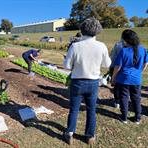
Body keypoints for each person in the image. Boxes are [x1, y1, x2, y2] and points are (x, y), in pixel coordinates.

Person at [63, 17, 111, 145]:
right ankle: (90, 136)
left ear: (82, 29)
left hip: (77, 82)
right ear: (97, 31)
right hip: (93, 83)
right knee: (91, 109)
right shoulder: (101, 46)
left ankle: (69, 133)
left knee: (74, 109)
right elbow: (107, 64)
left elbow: (67, 66)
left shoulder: (75, 46)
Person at [111, 29, 148, 124]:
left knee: (124, 97)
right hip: (137, 79)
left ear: (126, 40)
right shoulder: (143, 49)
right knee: (136, 98)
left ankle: (124, 117)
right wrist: (139, 72)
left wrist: (113, 78)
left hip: (124, 79)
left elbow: (117, 67)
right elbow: (145, 63)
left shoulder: (124, 51)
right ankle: (137, 118)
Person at [109, 39, 125, 108]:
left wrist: (111, 66)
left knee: (116, 85)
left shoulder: (118, 44)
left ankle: (117, 102)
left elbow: (112, 55)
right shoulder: (132, 46)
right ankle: (122, 101)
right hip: (124, 67)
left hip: (115, 65)